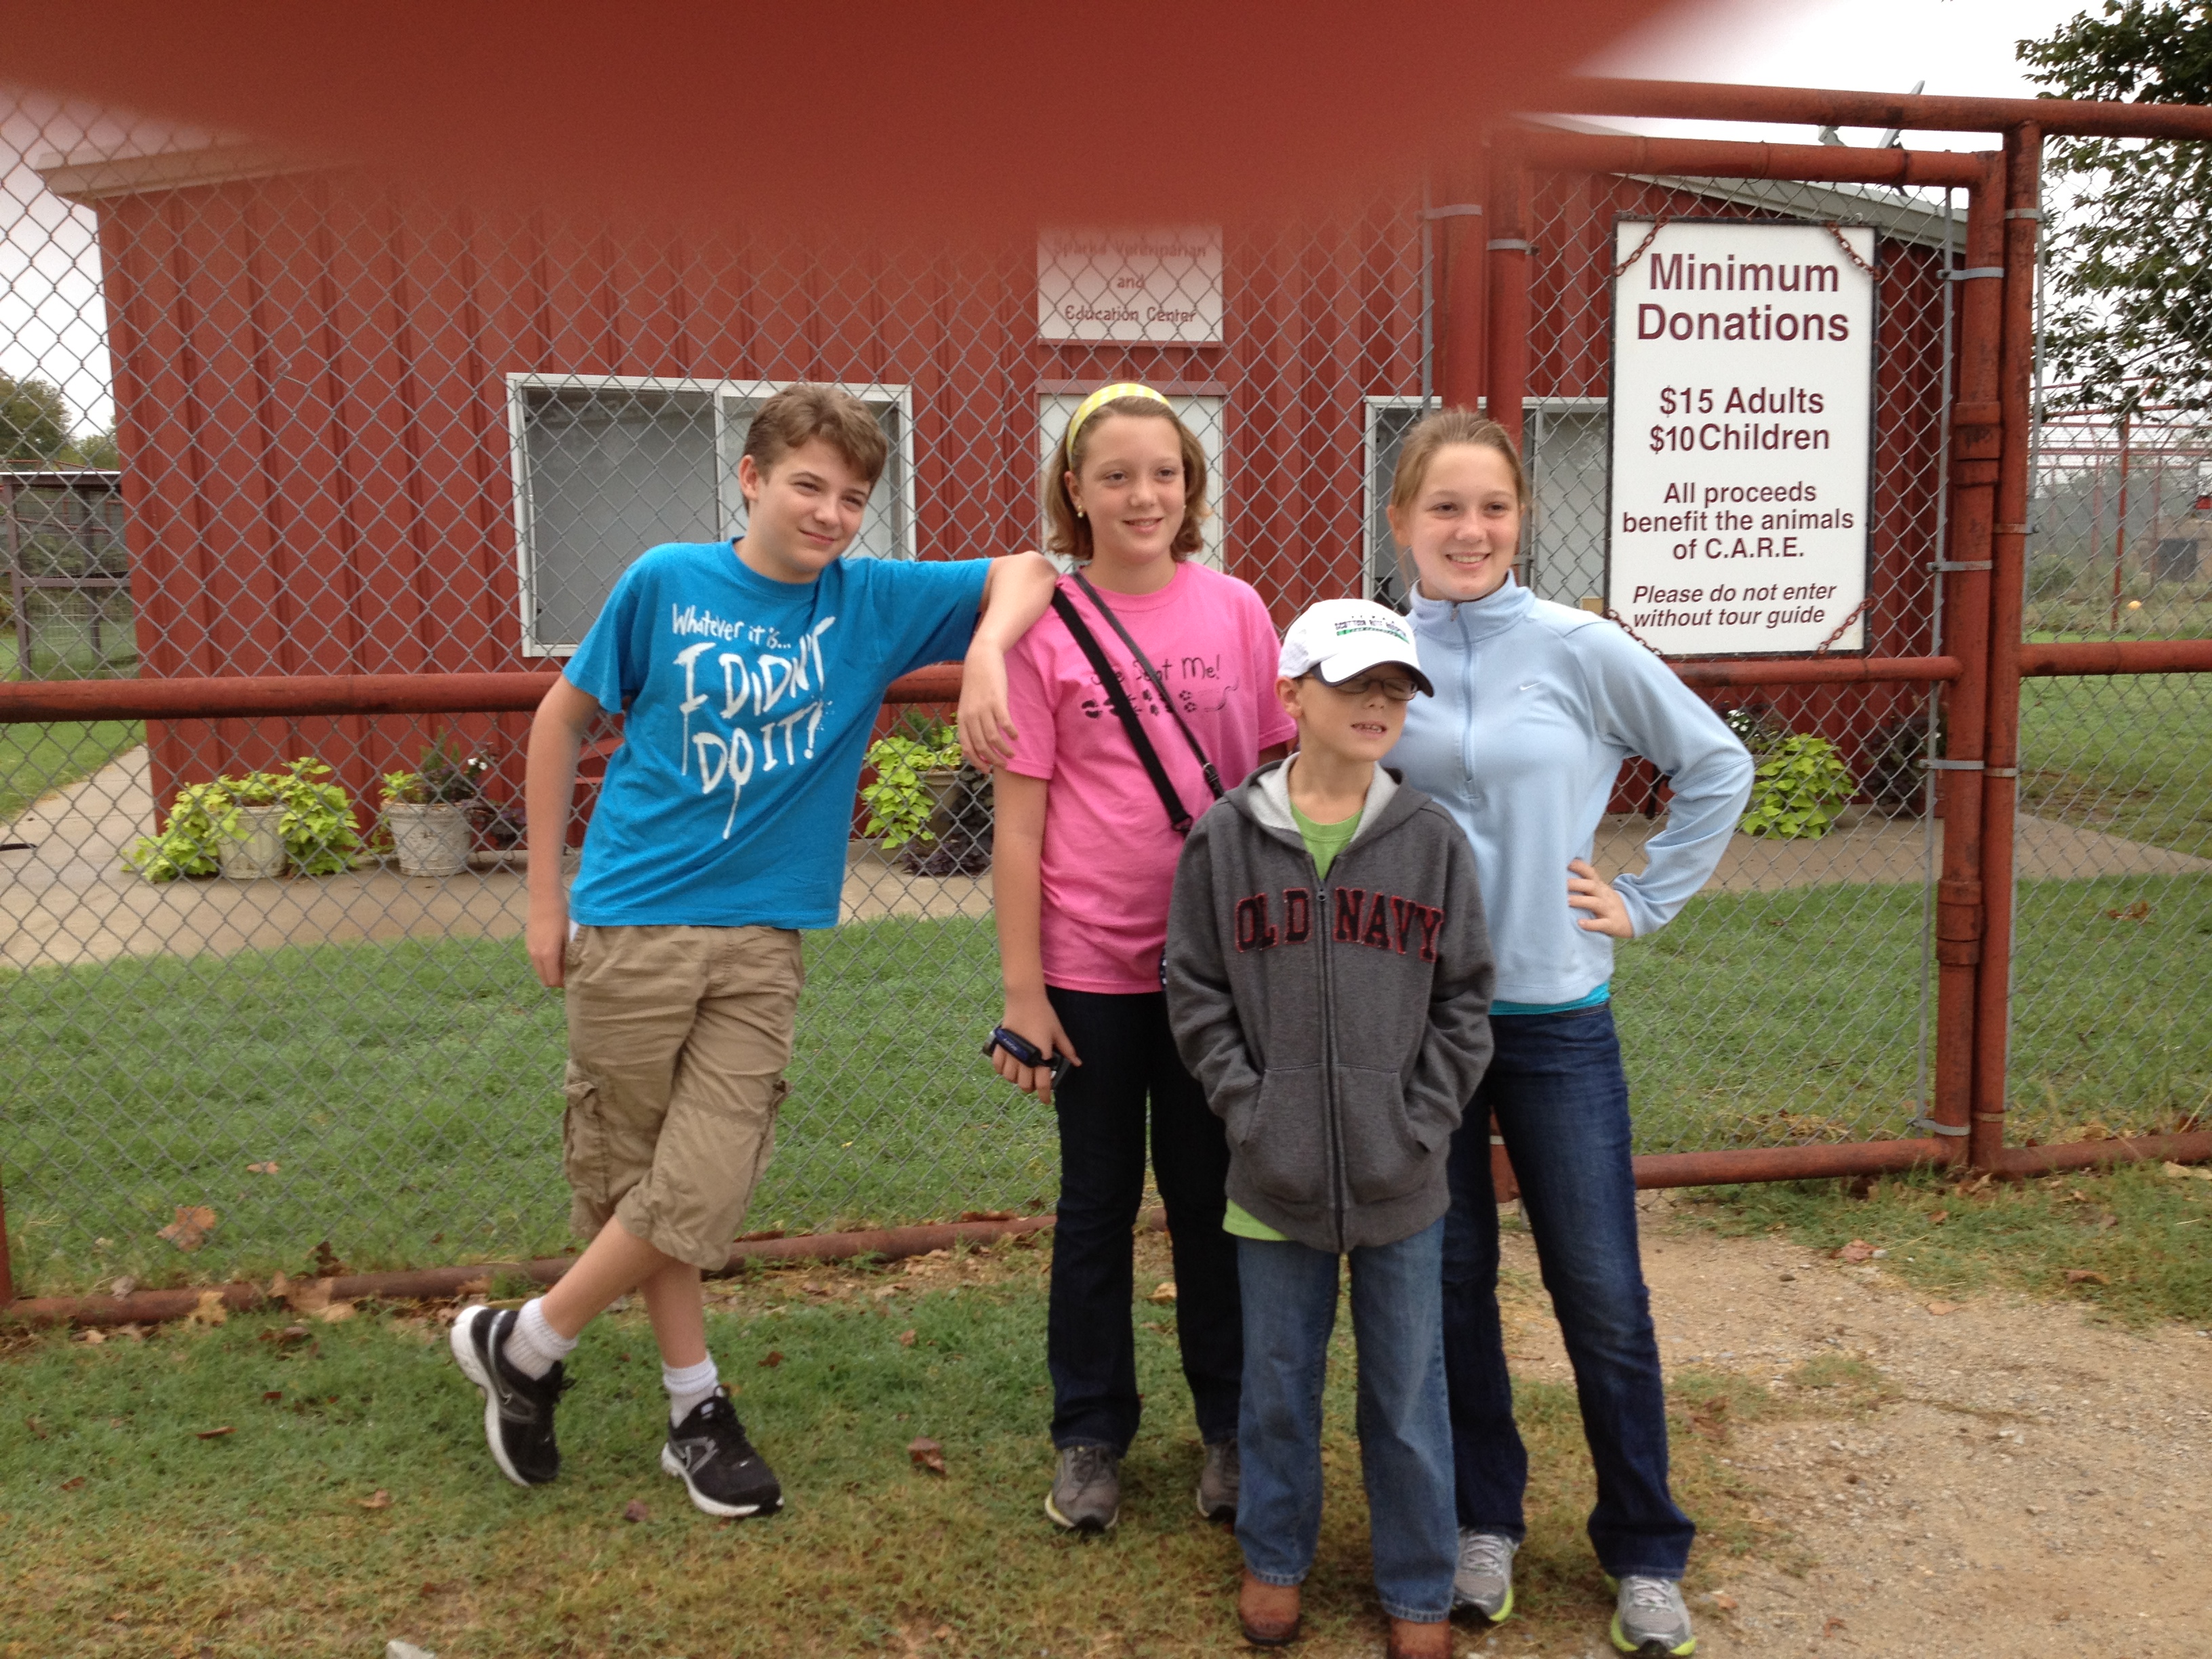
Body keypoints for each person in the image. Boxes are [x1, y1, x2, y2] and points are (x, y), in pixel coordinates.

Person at [449, 384, 1056, 1518]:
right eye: (807, 486)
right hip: (632, 922)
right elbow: (560, 721)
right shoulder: (666, 580)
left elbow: (1030, 569)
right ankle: (695, 1410)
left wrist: (986, 653)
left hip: (764, 939)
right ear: (751, 478)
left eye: (853, 498)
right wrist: (543, 901)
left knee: (704, 1178)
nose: (830, 514)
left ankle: (525, 1341)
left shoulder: (869, 602)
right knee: (645, 1182)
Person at [1379, 409, 1753, 1658]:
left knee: (1601, 1291)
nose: (1470, 530)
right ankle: (1482, 1521)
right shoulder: (1376, 653)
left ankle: (1644, 1545)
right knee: (1450, 1286)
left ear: (1521, 517)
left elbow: (1717, 763)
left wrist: (1642, 898)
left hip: (1557, 1021)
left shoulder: (1578, 646)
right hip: (1421, 1029)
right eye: (1444, 507)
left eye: (1492, 507)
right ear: (1402, 521)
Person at [989, 382, 1296, 1532]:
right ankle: (1089, 1433)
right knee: (1095, 1204)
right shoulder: (1046, 627)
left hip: (1218, 968)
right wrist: (1025, 991)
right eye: (1115, 475)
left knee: (1215, 1198)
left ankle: (1231, 1426)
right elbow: (1019, 827)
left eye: (1164, 472)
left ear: (1191, 485)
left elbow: (1278, 786)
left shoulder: (1237, 611)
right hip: (1089, 970)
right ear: (1076, 490)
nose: (1142, 495)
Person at [1165, 599, 1495, 1659]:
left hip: (1403, 1174)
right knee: (1276, 1383)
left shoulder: (1429, 842)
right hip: (1274, 1171)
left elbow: (1465, 999)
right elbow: (1195, 988)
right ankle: (1273, 1558)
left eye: (1395, 689)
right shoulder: (1228, 839)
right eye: (1354, 685)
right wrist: (1250, 1110)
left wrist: (1421, 1120)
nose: (1377, 704)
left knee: (1407, 1389)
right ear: (1292, 695)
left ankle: (1417, 1579)